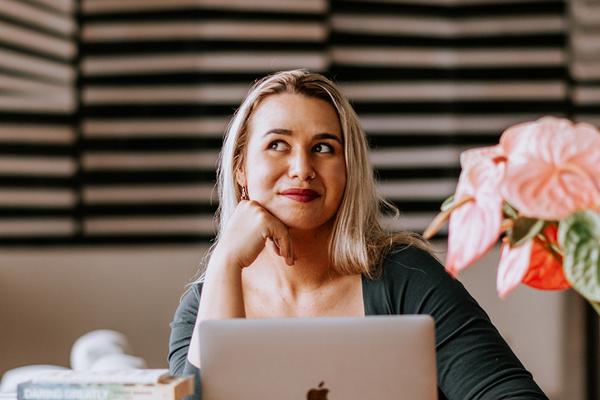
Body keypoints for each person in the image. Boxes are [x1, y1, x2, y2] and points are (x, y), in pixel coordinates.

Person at [168, 69, 548, 399]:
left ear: (348, 169)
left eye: (323, 148)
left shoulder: (406, 278)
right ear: (240, 169)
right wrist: (225, 262)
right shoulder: (201, 304)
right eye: (277, 145)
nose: (302, 168)